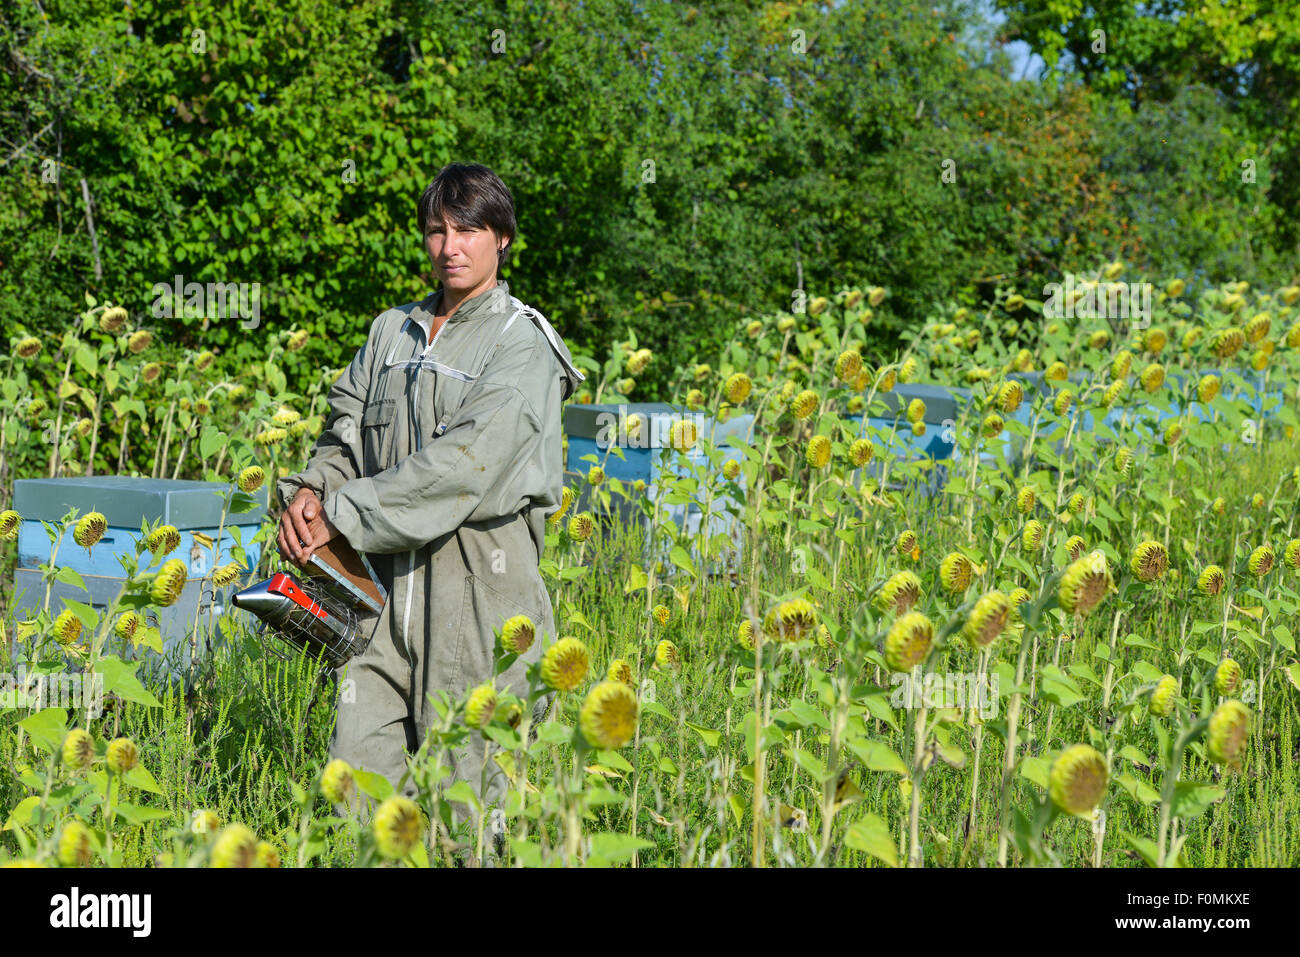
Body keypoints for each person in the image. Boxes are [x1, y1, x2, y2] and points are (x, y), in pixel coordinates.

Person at [275, 163, 584, 853]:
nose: (450, 246)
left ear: (501, 239)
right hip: (378, 591)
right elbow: (344, 429)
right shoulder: (392, 332)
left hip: (478, 589)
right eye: (437, 230)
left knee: (467, 806)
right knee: (355, 788)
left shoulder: (522, 342)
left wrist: (344, 510)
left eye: (468, 230)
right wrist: (311, 491)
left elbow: (463, 467)